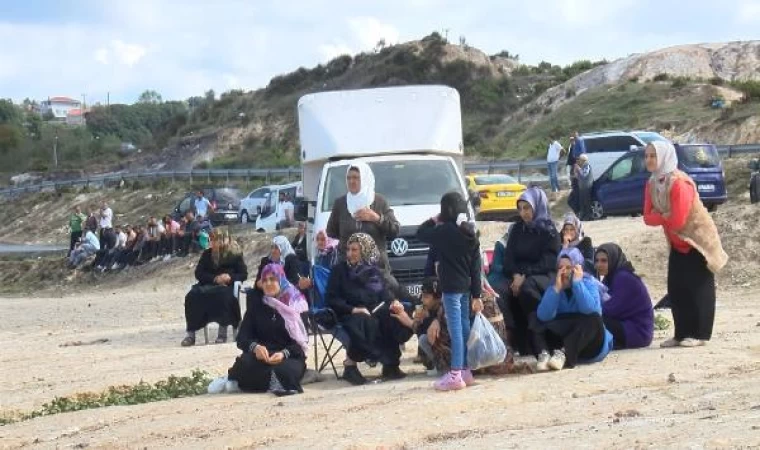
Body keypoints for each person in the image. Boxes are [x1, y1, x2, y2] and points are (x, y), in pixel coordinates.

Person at [643, 141, 728, 348]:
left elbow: (679, 220)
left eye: (653, 155)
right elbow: (647, 217)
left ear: (663, 157)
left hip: (697, 241)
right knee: (677, 288)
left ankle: (700, 334)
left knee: (698, 289)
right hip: (676, 242)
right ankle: (681, 334)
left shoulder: (680, 183)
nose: (649, 160)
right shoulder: (652, 183)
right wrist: (665, 216)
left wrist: (660, 216)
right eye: (647, 156)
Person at [325, 232, 413, 385]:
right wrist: (353, 309)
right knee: (365, 322)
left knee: (391, 316)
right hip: (349, 312)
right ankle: (350, 367)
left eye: (354, 250)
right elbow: (332, 298)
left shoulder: (372, 270)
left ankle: (390, 364)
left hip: (374, 309)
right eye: (349, 249)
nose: (350, 253)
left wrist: (394, 302)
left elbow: (384, 292)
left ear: (364, 251)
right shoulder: (339, 271)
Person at [208, 263, 309, 396]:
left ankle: (272, 382)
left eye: (272, 279)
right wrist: (255, 348)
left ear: (281, 280)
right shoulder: (257, 306)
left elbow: (301, 344)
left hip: (288, 356)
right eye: (264, 280)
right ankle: (271, 382)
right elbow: (242, 338)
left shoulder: (296, 305)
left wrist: (283, 354)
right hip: (262, 357)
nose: (268, 283)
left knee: (284, 371)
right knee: (243, 364)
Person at [417, 191, 483, 391]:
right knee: (462, 328)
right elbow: (476, 268)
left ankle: (455, 374)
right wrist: (477, 294)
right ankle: (464, 371)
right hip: (465, 288)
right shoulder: (471, 233)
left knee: (455, 330)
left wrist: (435, 219)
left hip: (451, 289)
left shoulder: (445, 230)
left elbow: (420, 233)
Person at [496, 187, 561, 362]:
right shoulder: (517, 229)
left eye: (527, 208)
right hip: (517, 275)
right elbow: (508, 260)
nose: (523, 213)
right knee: (498, 291)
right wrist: (517, 275)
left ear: (537, 206)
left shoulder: (550, 231)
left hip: (543, 275)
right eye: (521, 208)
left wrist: (524, 274)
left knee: (527, 288)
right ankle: (510, 338)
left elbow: (549, 262)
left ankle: (538, 337)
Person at [326, 160, 400, 280]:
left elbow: (394, 230)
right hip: (348, 271)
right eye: (348, 178)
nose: (351, 181)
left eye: (356, 178)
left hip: (377, 271)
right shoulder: (340, 203)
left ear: (365, 179)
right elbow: (331, 231)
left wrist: (376, 218)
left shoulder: (379, 201)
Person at [182, 228, 248, 347]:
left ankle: (222, 334)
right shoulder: (207, 254)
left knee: (223, 297)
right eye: (211, 239)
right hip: (208, 284)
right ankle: (190, 335)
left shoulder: (235, 255)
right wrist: (214, 279)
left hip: (226, 286)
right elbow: (199, 273)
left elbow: (243, 274)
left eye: (215, 239)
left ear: (224, 239)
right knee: (192, 296)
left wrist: (229, 277)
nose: (213, 242)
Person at [595, 243, 654, 350]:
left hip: (638, 331)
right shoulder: (610, 277)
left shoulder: (623, 278)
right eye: (597, 260)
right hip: (626, 325)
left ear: (613, 259)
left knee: (593, 321)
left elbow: (611, 309)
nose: (599, 264)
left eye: (604, 261)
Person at [575, 154, 594, 220]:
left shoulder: (587, 166)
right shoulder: (582, 166)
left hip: (587, 187)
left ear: (583, 160)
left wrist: (579, 169)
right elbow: (578, 177)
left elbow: (584, 174)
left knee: (587, 202)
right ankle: (583, 216)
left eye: (580, 160)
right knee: (582, 202)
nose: (579, 161)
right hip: (582, 188)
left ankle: (588, 216)